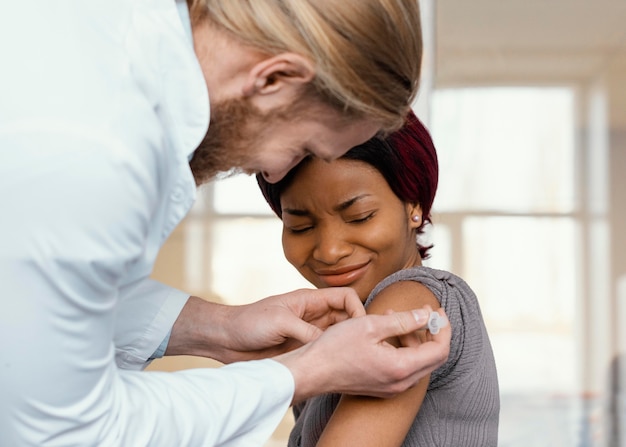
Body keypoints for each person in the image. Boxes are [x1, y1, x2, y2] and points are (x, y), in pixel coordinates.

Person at [0, 1, 451, 446]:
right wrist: (303, 372)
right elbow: (63, 429)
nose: (275, 175)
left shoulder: (103, 43)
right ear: (274, 78)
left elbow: (31, 297)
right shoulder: (97, 150)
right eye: (301, 147)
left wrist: (217, 328)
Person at [257, 111, 500, 446]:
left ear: (413, 205)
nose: (329, 251)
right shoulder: (333, 331)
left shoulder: (407, 302)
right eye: (301, 226)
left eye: (360, 217)